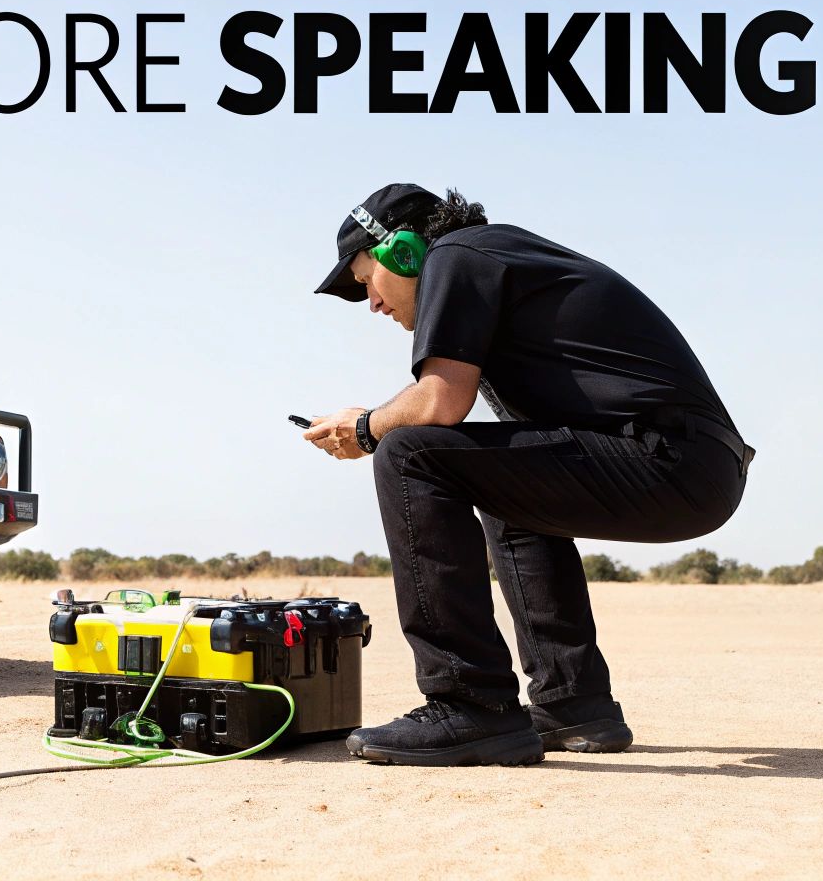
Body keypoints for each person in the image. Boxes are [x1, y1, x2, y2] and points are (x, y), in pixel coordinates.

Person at [304, 183, 752, 767]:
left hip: (670, 457)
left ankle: (468, 705)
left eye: (366, 282)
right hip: (698, 466)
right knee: (494, 477)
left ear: (402, 252)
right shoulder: (492, 265)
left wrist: (365, 427)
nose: (373, 305)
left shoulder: (456, 256)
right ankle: (575, 704)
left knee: (409, 452)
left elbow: (440, 404)